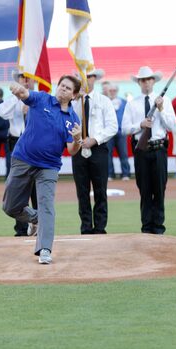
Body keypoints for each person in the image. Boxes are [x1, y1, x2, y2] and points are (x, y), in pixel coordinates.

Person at [2, 74, 82, 265]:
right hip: (23, 159)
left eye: (68, 88)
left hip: (49, 167)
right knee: (10, 207)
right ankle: (36, 218)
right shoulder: (42, 99)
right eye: (62, 85)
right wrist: (16, 87)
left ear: (74, 95)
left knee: (47, 205)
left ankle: (45, 249)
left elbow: (72, 150)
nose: (63, 89)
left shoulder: (73, 118)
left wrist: (78, 139)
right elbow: (24, 94)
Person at [122, 66, 176, 234]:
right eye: (143, 80)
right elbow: (124, 128)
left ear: (154, 81)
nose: (146, 82)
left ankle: (158, 228)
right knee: (144, 190)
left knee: (159, 190)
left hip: (159, 148)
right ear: (139, 82)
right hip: (142, 151)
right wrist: (140, 125)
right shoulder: (132, 104)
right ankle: (146, 228)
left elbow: (171, 125)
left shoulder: (165, 101)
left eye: (149, 79)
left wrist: (160, 109)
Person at [71, 69, 118, 235]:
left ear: (94, 79)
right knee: (82, 191)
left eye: (89, 76)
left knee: (100, 190)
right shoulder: (73, 102)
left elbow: (113, 126)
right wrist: (76, 100)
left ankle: (99, 228)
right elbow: (68, 123)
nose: (86, 80)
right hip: (78, 148)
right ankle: (85, 227)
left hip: (98, 149)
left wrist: (95, 139)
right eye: (82, 77)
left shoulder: (104, 101)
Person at [0, 71, 38, 236]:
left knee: (37, 186)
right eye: (22, 78)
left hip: (36, 145)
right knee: (17, 185)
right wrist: (18, 96)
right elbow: (2, 112)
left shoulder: (40, 98)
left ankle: (40, 223)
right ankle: (21, 227)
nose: (26, 81)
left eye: (29, 78)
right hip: (16, 144)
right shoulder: (12, 99)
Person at [106, 83, 131, 180]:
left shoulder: (124, 102)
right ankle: (110, 174)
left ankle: (126, 173)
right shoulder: (105, 102)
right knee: (108, 154)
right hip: (108, 133)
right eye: (110, 90)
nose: (112, 92)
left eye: (114, 90)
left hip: (121, 132)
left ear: (117, 91)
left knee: (123, 154)